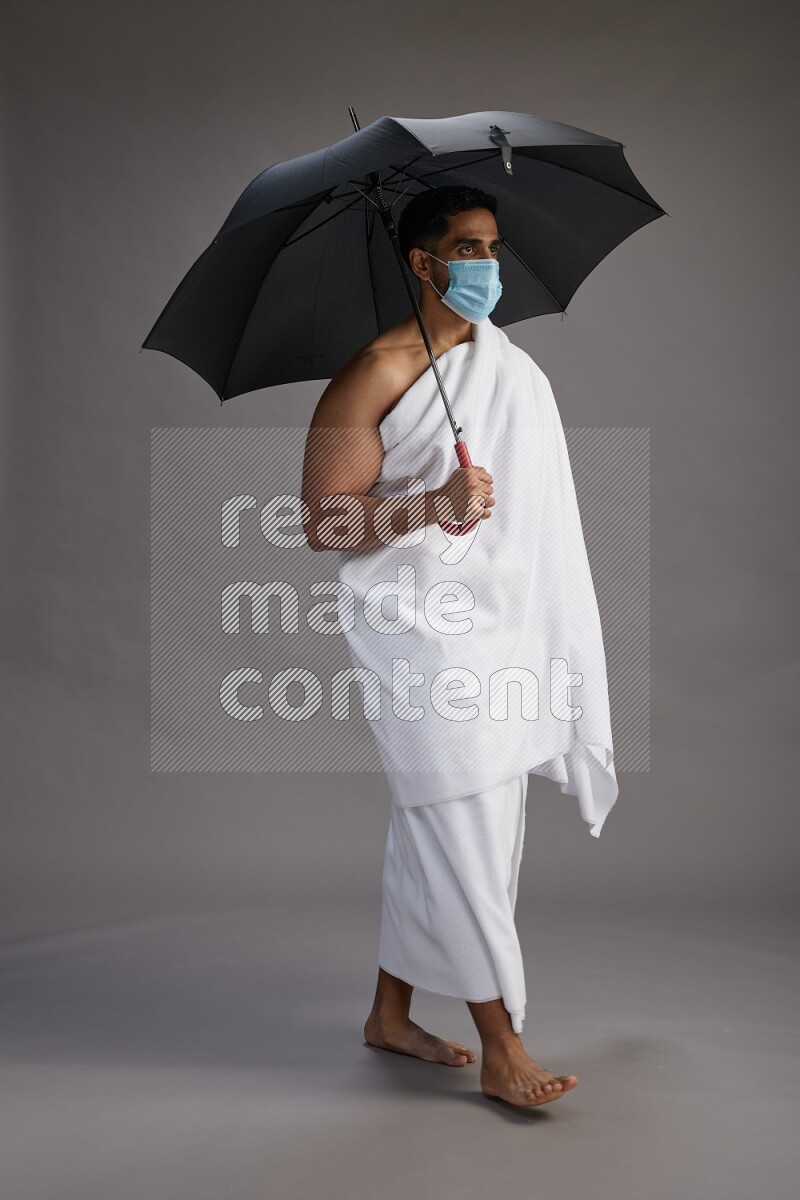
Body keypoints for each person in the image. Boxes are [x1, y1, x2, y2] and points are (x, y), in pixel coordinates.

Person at [301, 185, 616, 1108]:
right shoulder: (372, 372)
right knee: (461, 818)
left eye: (493, 246)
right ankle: (502, 1041)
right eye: (467, 248)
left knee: (450, 818)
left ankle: (388, 1016)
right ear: (422, 262)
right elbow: (323, 523)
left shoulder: (504, 367)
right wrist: (431, 507)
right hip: (417, 634)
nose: (488, 264)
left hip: (502, 622)